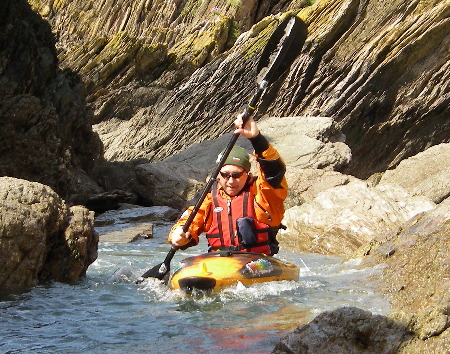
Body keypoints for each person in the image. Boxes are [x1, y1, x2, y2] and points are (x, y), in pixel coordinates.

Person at [168, 111, 288, 255]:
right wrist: (179, 234)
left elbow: (274, 169)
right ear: (218, 175)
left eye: (237, 175)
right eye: (225, 175)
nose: (231, 181)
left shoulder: (263, 193)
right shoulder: (208, 198)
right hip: (220, 261)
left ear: (248, 174)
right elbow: (191, 219)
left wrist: (256, 139)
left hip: (259, 262)